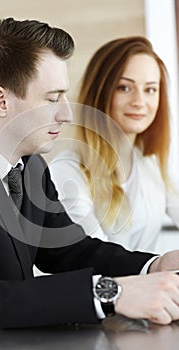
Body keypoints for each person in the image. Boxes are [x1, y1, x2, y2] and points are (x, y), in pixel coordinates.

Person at [0, 19, 179, 349]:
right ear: (0, 100)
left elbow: (69, 250)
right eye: (52, 98)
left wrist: (154, 265)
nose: (67, 114)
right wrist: (110, 293)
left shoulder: (29, 166)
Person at [49, 36, 179, 252]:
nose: (139, 101)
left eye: (150, 90)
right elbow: (97, 259)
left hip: (149, 283)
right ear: (100, 93)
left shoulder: (149, 163)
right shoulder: (67, 170)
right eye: (124, 88)